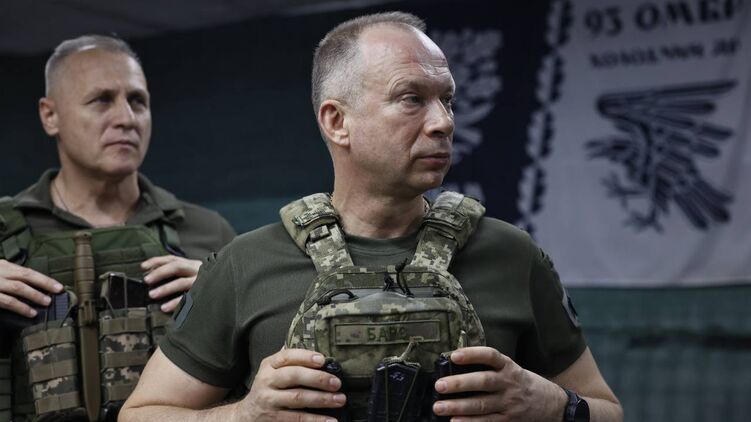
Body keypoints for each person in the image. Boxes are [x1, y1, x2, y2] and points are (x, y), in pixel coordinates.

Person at [120, 12, 623, 422]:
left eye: (447, 100)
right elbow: (141, 414)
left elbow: (607, 410)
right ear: (337, 121)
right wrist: (243, 415)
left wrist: (553, 406)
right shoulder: (245, 264)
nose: (443, 122)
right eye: (412, 99)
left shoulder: (512, 255)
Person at [0, 35, 235, 421]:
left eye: (138, 101)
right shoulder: (4, 230)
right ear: (50, 115)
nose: (127, 118)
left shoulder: (208, 232)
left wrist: (226, 302)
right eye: (102, 100)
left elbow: (256, 366)